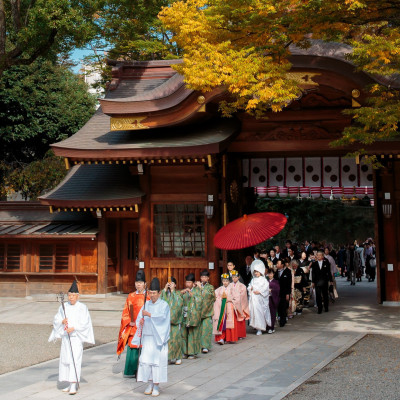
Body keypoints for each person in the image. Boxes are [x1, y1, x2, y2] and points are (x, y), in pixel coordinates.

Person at [48, 280, 94, 395]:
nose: (71, 298)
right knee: (66, 359)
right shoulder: (64, 306)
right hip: (66, 337)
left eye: (73, 295)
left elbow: (85, 322)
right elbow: (57, 319)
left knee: (75, 360)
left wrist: (74, 328)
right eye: (69, 295)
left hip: (76, 338)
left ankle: (74, 384)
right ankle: (68, 382)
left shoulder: (82, 307)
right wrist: (62, 321)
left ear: (77, 296)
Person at [133, 277, 170, 397]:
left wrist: (150, 314)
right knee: (146, 361)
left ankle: (156, 385)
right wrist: (141, 321)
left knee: (156, 362)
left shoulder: (164, 305)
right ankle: (149, 383)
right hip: (148, 338)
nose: (152, 295)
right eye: (151, 293)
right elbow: (139, 319)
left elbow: (163, 318)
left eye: (154, 293)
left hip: (158, 339)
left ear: (159, 293)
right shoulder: (146, 304)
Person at [117, 270, 149, 378]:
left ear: (145, 284)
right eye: (137, 282)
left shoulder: (148, 296)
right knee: (132, 346)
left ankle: (144, 371)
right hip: (133, 325)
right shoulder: (131, 296)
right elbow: (126, 312)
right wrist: (128, 321)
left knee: (145, 347)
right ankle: (131, 371)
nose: (138, 285)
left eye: (140, 283)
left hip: (145, 325)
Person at [160, 277, 183, 365]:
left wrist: (173, 291)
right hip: (166, 322)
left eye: (172, 283)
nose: (170, 285)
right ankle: (169, 357)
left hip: (175, 321)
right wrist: (165, 289)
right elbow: (161, 301)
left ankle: (178, 357)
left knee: (176, 339)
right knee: (167, 340)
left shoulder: (177, 294)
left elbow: (179, 303)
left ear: (175, 285)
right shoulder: (165, 294)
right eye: (169, 283)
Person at [180, 273, 202, 359]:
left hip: (193, 315)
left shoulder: (197, 291)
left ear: (193, 283)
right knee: (184, 334)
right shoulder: (184, 291)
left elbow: (200, 301)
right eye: (186, 282)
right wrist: (181, 294)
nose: (187, 284)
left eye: (189, 282)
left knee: (192, 334)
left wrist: (192, 295)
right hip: (185, 315)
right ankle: (185, 352)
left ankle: (192, 352)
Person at [213, 273, 238, 344]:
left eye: (227, 281)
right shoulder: (219, 289)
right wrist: (220, 299)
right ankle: (221, 338)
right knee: (222, 323)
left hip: (229, 307)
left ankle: (230, 338)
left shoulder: (233, 289)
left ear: (229, 281)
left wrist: (229, 299)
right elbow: (215, 297)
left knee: (229, 323)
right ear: (222, 281)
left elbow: (236, 298)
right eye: (224, 281)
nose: (225, 282)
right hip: (221, 308)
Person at [248, 260, 271, 335]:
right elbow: (249, 286)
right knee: (255, 313)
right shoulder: (253, 279)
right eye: (255, 272)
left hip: (260, 298)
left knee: (260, 313)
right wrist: (250, 288)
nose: (256, 273)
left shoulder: (264, 280)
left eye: (257, 272)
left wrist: (260, 291)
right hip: (254, 298)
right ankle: (257, 327)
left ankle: (261, 328)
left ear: (260, 271)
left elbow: (266, 288)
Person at [197, 270, 215, 354]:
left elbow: (211, 297)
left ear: (208, 278)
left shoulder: (210, 287)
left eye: (205, 277)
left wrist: (202, 289)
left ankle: (205, 346)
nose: (203, 278)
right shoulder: (197, 286)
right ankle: (198, 345)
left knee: (206, 329)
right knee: (198, 330)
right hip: (198, 312)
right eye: (202, 277)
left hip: (207, 312)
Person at [229, 269, 250, 339]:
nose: (234, 278)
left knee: (240, 319)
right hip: (232, 304)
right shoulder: (229, 285)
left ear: (238, 277)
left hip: (239, 305)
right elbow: (228, 294)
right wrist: (232, 299)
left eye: (235, 277)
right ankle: (234, 334)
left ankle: (240, 334)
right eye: (233, 277)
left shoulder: (242, 286)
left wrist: (234, 299)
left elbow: (242, 296)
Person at [275, 259, 292, 327]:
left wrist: (288, 293)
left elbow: (288, 283)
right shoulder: (276, 272)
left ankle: (283, 320)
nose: (277, 265)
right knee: (279, 306)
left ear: (282, 265)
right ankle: (280, 318)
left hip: (284, 292)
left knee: (283, 306)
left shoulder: (287, 271)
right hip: (277, 292)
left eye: (278, 264)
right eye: (277, 264)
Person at [266, 268, 280, 334]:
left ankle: (271, 327)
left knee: (272, 313)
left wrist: (271, 290)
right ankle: (268, 327)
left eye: (271, 273)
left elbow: (277, 290)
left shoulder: (276, 282)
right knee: (267, 313)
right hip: (266, 299)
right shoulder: (266, 281)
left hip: (272, 299)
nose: (270, 275)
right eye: (269, 273)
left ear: (273, 274)